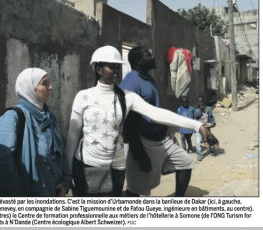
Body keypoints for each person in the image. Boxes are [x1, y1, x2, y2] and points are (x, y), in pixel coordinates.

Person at [66, 45, 219, 197]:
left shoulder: (127, 97)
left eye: (118, 67)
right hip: (91, 164)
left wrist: (199, 126)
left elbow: (157, 114)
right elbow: (74, 133)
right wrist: (69, 169)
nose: (117, 71)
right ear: (99, 70)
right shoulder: (84, 96)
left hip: (116, 166)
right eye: (112, 67)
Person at [119, 46, 218, 197]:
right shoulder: (130, 84)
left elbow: (156, 112)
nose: (153, 57)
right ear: (138, 61)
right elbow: (129, 124)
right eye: (148, 55)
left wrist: (166, 132)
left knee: (185, 162)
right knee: (137, 189)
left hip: (159, 138)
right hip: (142, 141)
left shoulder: (148, 77)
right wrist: (139, 154)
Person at [0, 68, 71, 197]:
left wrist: (65, 181)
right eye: (44, 83)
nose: (50, 87)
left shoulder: (50, 117)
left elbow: (61, 152)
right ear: (29, 88)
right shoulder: (12, 117)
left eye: (49, 82)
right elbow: (4, 162)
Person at [194, 95, 216, 161]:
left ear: (205, 102)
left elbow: (211, 117)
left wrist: (213, 122)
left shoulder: (208, 109)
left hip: (207, 129)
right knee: (198, 142)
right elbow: (195, 116)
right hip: (199, 129)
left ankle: (212, 150)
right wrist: (200, 110)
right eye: (199, 102)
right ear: (197, 102)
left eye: (202, 102)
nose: (201, 103)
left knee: (210, 141)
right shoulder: (196, 110)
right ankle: (199, 155)